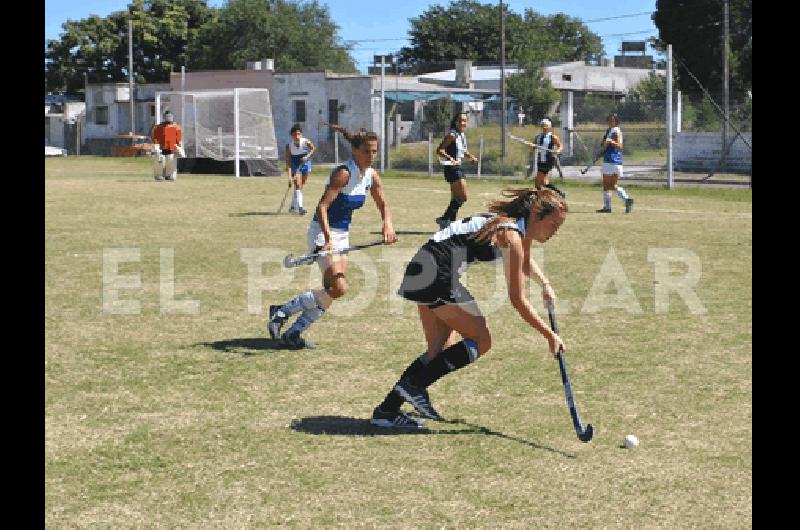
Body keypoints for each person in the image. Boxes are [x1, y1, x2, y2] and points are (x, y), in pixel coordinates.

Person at [370, 188, 568, 429]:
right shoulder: (511, 234)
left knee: (439, 350)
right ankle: (414, 386)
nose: (555, 233)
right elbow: (518, 300)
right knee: (481, 340)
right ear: (537, 215)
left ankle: (386, 411)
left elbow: (524, 258)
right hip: (436, 275)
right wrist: (549, 335)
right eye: (553, 225)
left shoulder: (514, 227)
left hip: (422, 270)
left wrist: (545, 284)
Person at [267, 125, 397, 349]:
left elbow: (383, 204)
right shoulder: (344, 173)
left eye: (375, 151)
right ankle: (283, 311)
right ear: (355, 151)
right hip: (322, 231)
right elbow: (322, 208)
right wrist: (327, 238)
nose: (371, 156)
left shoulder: (371, 177)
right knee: (340, 287)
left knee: (334, 290)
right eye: (367, 151)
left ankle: (293, 333)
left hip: (342, 235)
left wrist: (388, 224)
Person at [434, 112, 479, 230]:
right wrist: (451, 159)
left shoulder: (461, 135)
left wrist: (471, 157)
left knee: (456, 198)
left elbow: (463, 150)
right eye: (460, 120)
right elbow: (440, 150)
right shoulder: (452, 135)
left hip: (458, 167)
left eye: (465, 121)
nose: (463, 123)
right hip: (451, 168)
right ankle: (445, 219)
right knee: (463, 197)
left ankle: (449, 222)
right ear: (455, 122)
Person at [596, 113, 634, 213]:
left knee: (608, 185)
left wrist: (611, 142)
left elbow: (620, 146)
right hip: (610, 160)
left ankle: (609, 206)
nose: (610, 122)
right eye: (609, 120)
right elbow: (604, 145)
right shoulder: (609, 131)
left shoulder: (616, 131)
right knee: (611, 185)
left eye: (612, 120)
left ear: (616, 121)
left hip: (612, 161)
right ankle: (625, 200)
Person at [528, 118, 565, 198]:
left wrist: (558, 150)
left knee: (540, 181)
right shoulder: (538, 137)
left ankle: (551, 194)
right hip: (540, 160)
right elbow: (533, 147)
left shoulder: (552, 137)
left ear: (549, 127)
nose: (544, 128)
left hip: (548, 161)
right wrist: (532, 146)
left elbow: (560, 146)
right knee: (540, 182)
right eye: (543, 127)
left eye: (546, 127)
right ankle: (555, 194)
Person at [284, 124, 317, 215]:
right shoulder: (288, 147)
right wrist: (290, 177)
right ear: (292, 135)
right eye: (295, 134)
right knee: (297, 184)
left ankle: (292, 206)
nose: (297, 136)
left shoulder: (306, 142)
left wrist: (307, 156)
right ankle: (300, 208)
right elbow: (288, 163)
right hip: (295, 163)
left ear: (301, 134)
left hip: (305, 162)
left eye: (299, 134)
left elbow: (313, 149)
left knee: (300, 186)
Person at [151, 110, 183, 181]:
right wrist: (156, 145)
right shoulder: (158, 127)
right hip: (161, 148)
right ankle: (158, 175)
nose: (169, 118)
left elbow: (179, 138)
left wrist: (179, 146)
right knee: (160, 160)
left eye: (170, 116)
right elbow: (155, 137)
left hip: (172, 148)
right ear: (164, 117)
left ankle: (170, 175)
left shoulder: (176, 127)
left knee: (171, 161)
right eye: (167, 116)